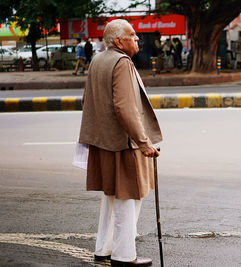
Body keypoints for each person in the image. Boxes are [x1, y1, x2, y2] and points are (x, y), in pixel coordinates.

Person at [78, 19, 162, 267]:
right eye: (133, 35)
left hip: (104, 141)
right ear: (118, 41)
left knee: (111, 196)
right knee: (129, 196)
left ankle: (103, 249)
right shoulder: (122, 63)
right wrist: (144, 142)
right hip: (124, 143)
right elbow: (125, 108)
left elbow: (87, 100)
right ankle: (125, 256)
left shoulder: (98, 60)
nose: (137, 39)